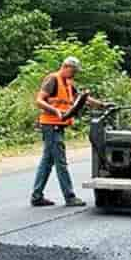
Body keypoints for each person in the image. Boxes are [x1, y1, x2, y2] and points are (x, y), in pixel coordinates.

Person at [31, 56, 106, 207]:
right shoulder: (52, 79)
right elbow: (39, 101)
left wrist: (102, 105)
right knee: (60, 162)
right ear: (65, 67)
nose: (74, 75)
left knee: (47, 161)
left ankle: (37, 196)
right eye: (73, 71)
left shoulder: (68, 83)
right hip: (51, 125)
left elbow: (82, 98)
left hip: (58, 125)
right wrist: (56, 111)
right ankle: (70, 196)